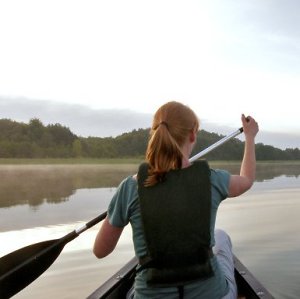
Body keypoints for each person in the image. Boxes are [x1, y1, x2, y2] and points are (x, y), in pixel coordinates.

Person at [93, 101, 259, 298]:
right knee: (220, 236)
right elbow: (247, 180)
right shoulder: (212, 180)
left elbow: (100, 251)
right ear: (192, 135)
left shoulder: (129, 187)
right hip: (212, 295)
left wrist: (117, 208)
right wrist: (249, 137)